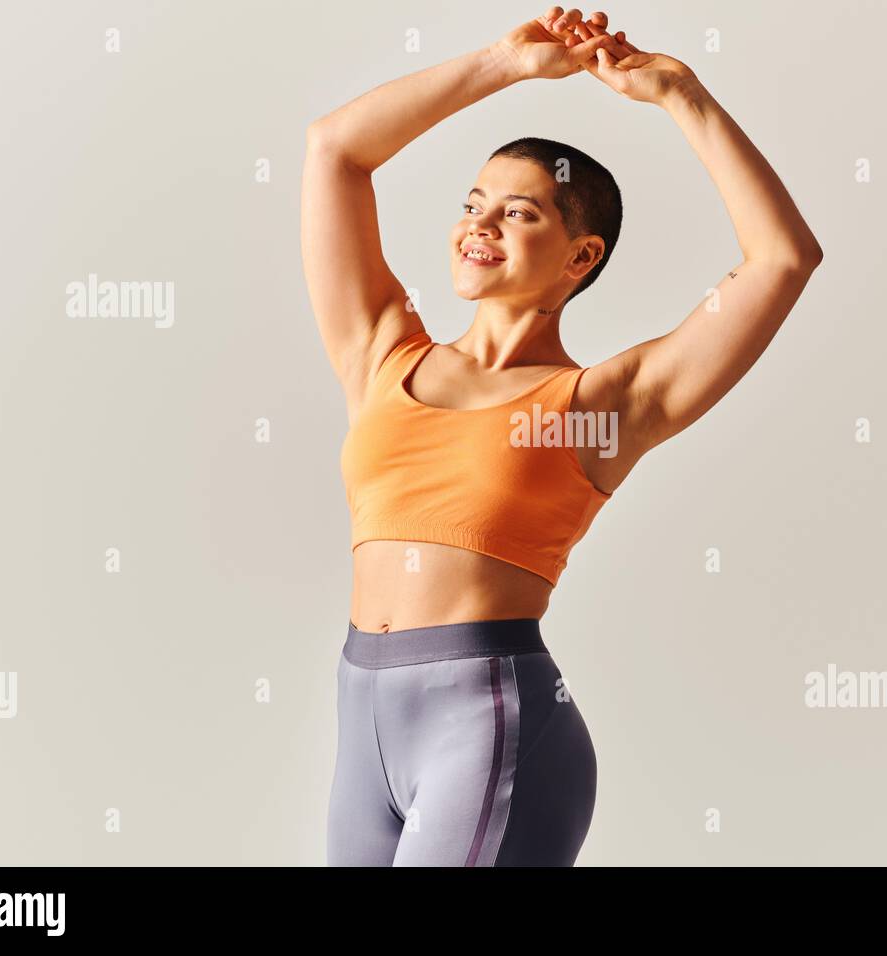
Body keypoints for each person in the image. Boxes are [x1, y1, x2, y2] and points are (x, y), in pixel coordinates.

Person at [302, 7, 823, 866]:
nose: (481, 224)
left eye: (519, 214)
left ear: (580, 258)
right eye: (474, 203)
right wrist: (501, 66)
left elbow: (781, 260)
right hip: (360, 723)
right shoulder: (381, 354)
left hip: (490, 724)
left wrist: (682, 97)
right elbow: (334, 151)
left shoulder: (599, 405)